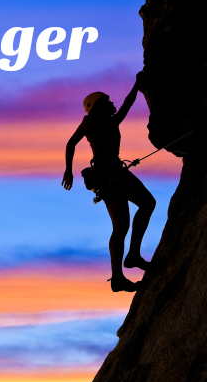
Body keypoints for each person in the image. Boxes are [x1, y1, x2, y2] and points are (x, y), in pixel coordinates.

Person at [61, 72, 156, 292]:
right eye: (106, 101)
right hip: (108, 177)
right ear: (97, 106)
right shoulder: (89, 122)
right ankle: (118, 277)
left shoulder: (111, 121)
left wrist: (137, 86)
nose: (111, 103)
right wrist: (68, 171)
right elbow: (71, 143)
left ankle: (132, 256)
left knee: (146, 205)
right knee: (122, 225)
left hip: (116, 173)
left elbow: (127, 104)